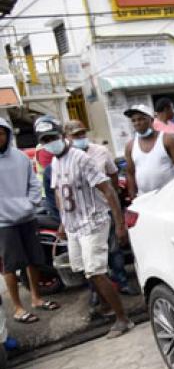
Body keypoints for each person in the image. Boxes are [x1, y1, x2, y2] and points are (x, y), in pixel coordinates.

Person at [36, 118, 134, 338]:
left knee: (96, 272)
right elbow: (60, 194)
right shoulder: (56, 163)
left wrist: (119, 224)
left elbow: (108, 189)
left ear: (62, 135)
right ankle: (106, 307)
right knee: (83, 270)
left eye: (53, 137)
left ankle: (123, 319)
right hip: (73, 225)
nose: (50, 142)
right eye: (45, 140)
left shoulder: (81, 158)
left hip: (93, 221)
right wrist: (63, 221)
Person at [63, 120, 136, 296]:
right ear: (67, 137)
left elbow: (112, 174)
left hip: (104, 209)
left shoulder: (101, 152)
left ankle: (122, 282)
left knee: (113, 249)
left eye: (82, 134)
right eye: (75, 135)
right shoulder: (65, 158)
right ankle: (97, 293)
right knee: (89, 258)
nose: (80, 138)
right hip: (82, 214)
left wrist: (113, 195)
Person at [0, 116, 59, 324]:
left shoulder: (20, 158)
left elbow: (34, 183)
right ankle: (17, 307)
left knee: (33, 259)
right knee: (9, 266)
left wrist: (30, 204)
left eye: (1, 133)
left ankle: (36, 298)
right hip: (4, 224)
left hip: (27, 217)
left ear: (7, 134)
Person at [124, 104, 174, 200]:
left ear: (151, 120)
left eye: (141, 119)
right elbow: (130, 173)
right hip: (144, 198)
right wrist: (132, 195)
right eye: (134, 120)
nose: (137, 123)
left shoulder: (167, 139)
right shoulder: (130, 146)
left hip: (169, 195)